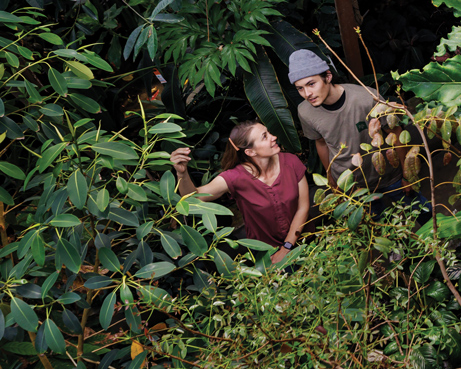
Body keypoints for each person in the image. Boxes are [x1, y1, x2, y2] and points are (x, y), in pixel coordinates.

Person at [170, 120, 308, 264]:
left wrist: (287, 247)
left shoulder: (291, 162)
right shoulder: (235, 177)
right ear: (250, 152)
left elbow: (302, 208)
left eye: (269, 133)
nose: (274, 137)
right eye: (265, 136)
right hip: (266, 252)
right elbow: (194, 199)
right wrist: (182, 175)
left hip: (303, 238)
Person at [287, 49, 397, 193]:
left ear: (328, 76)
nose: (307, 94)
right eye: (300, 89)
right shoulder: (305, 111)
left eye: (311, 84)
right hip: (349, 184)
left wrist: (408, 173)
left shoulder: (365, 97)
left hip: (387, 175)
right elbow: (321, 143)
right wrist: (332, 179)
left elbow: (395, 132)